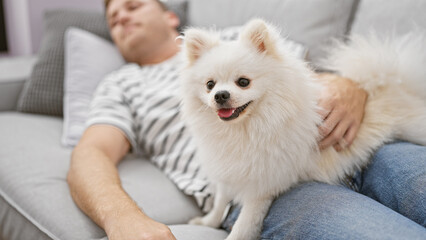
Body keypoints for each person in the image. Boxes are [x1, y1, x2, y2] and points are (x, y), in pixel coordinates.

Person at [67, 0, 426, 239]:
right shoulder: (121, 84)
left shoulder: (237, 38)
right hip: (265, 189)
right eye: (113, 19)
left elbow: (308, 74)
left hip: (356, 139)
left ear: (170, 17)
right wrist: (121, 218)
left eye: (132, 5)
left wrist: (351, 86)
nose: (123, 17)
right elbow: (91, 153)